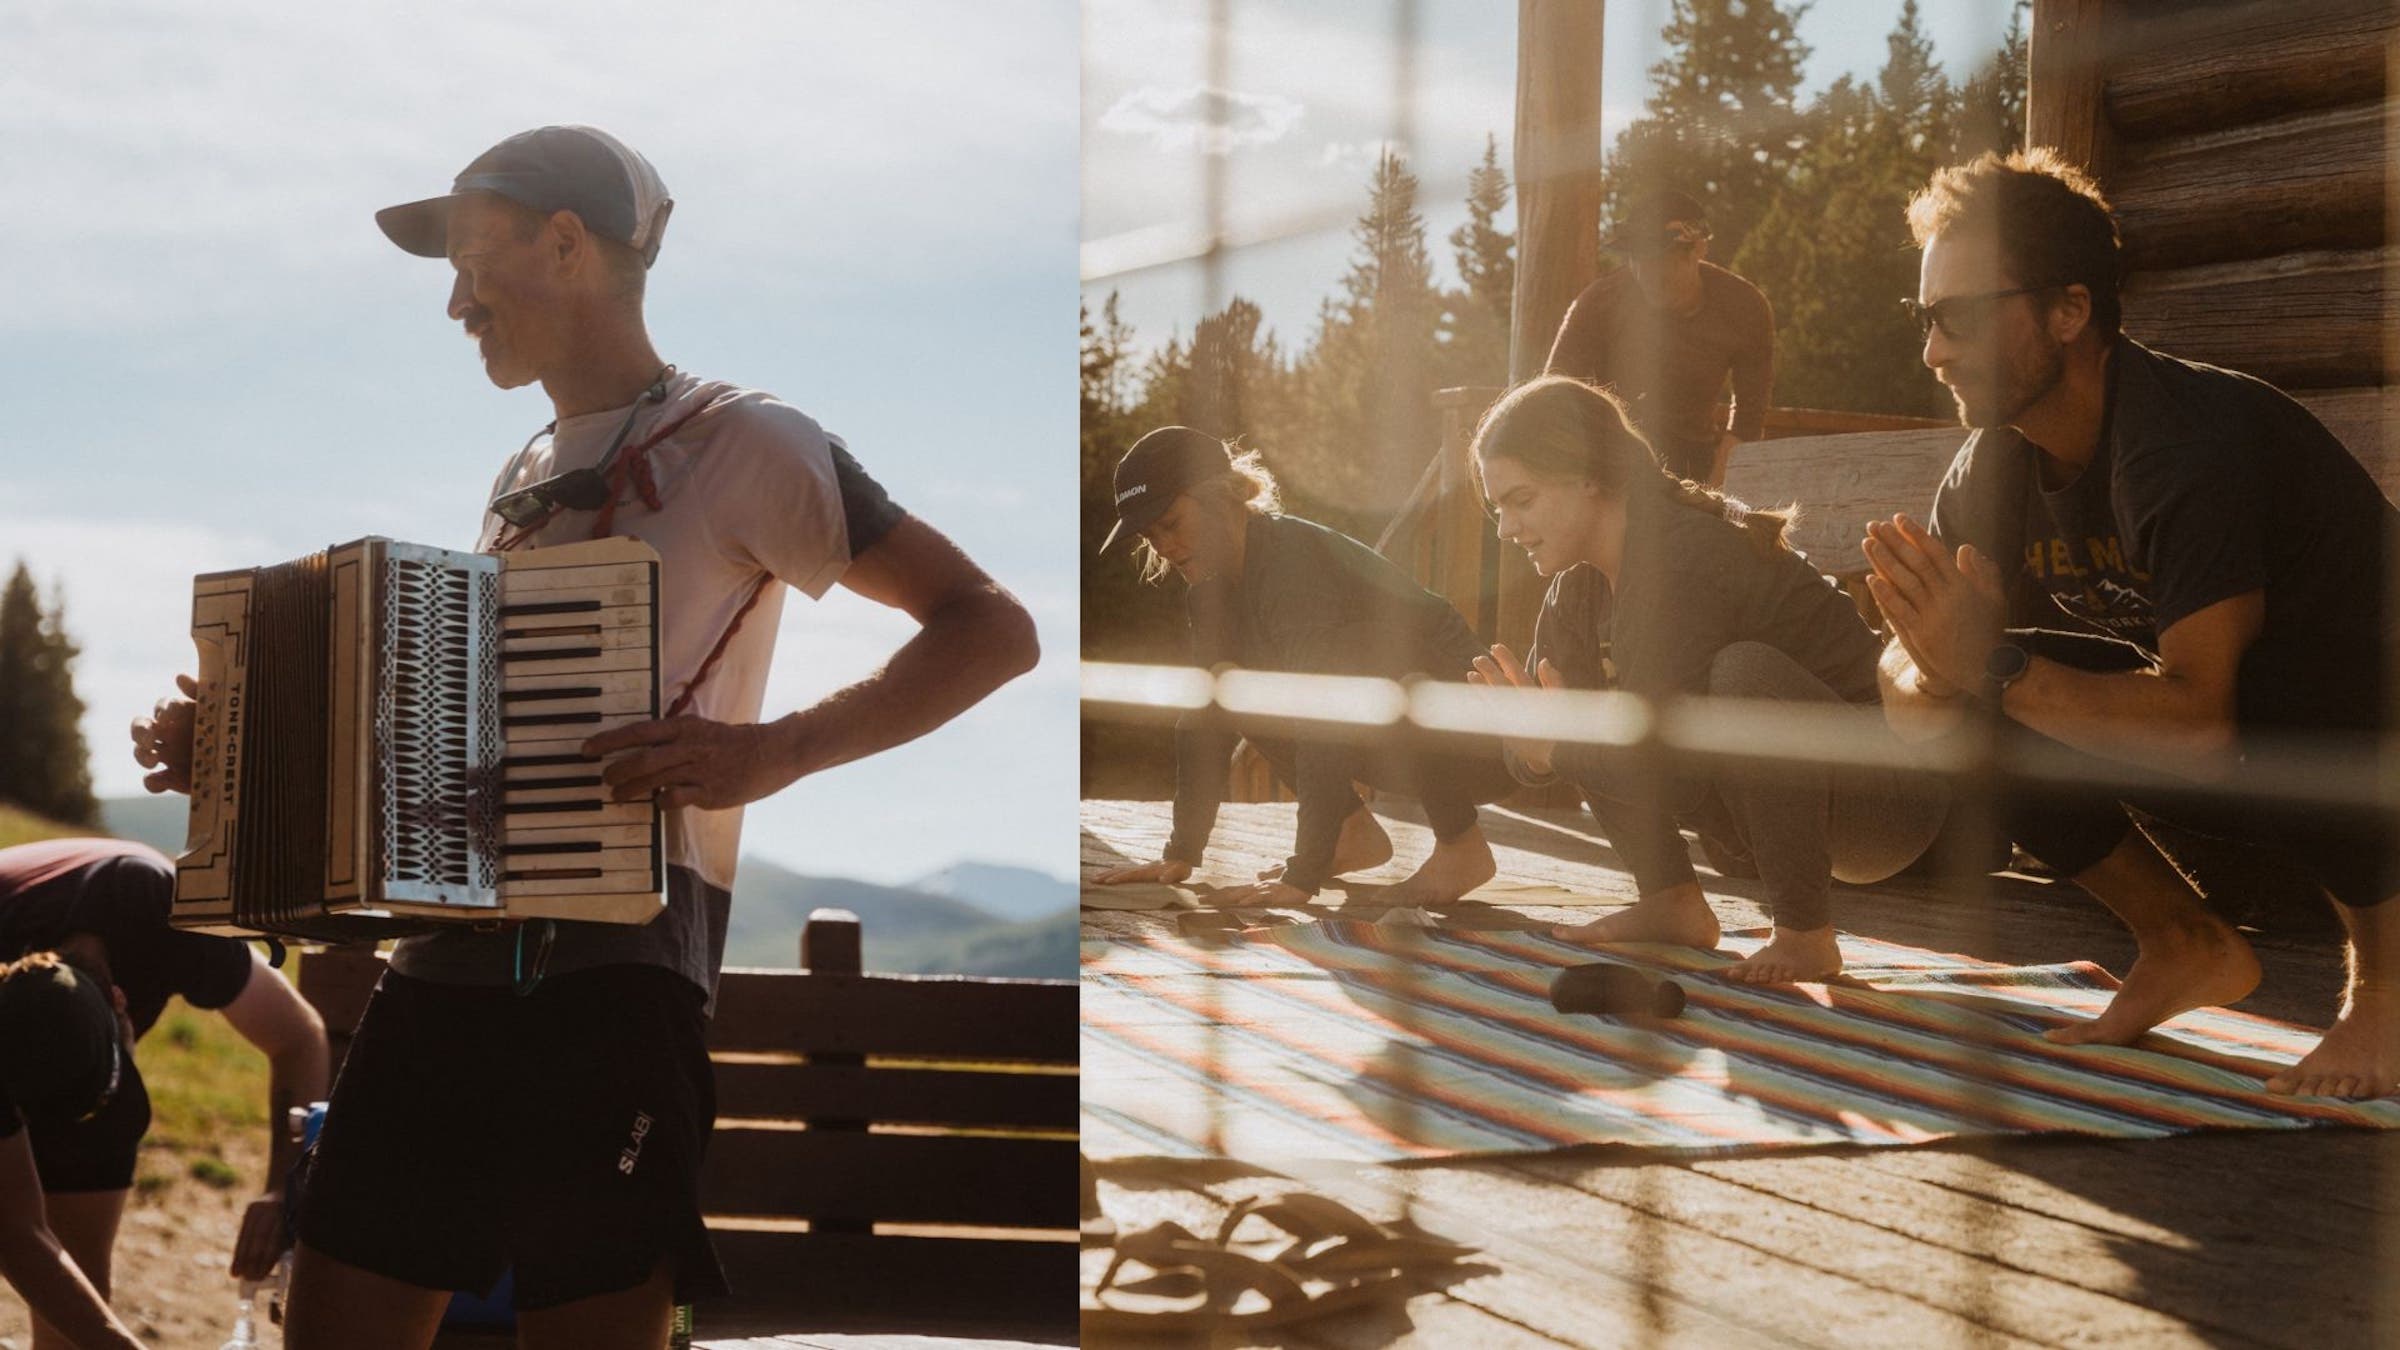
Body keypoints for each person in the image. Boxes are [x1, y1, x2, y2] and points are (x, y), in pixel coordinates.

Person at [130, 124, 1038, 1348]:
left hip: (621, 975)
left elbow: (991, 626)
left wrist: (770, 752)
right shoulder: (521, 471)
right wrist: (240, 754)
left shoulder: (749, 439)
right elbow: (446, 766)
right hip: (442, 966)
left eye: (471, 259)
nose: (454, 300)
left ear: (567, 245)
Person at [1865, 148, 2400, 1096]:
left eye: (1957, 316)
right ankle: (2184, 941)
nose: (1931, 350)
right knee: (1981, 694)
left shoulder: (2180, 445)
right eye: (1921, 319)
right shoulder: (1997, 464)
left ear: (2068, 311)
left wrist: (1984, 666)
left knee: (2286, 675)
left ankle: (2387, 994)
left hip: (2364, 720)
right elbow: (1908, 693)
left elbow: (2201, 723)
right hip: (2262, 752)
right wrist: (1936, 668)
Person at [1468, 376, 1949, 982]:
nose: (1506, 529)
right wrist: (1536, 748)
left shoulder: (1683, 556)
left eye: (1522, 500)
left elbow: (1665, 763)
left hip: (1887, 799)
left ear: (1588, 477)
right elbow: (1545, 756)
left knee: (1742, 671)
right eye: (1497, 508)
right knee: (1584, 714)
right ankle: (1670, 901)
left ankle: (1805, 934)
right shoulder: (1575, 590)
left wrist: (1560, 745)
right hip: (1767, 805)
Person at [1087, 426, 1514, 905]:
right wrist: (1182, 850)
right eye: (1150, 535)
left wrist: (1301, 876)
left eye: (1171, 523)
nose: (1163, 547)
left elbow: (1321, 714)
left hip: (1484, 739)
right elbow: (1205, 716)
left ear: (1221, 497)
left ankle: (1461, 846)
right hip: (1395, 740)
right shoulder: (1211, 591)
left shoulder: (1291, 565)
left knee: (1354, 653)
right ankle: (1349, 835)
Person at [0, 838, 329, 1350]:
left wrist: (281, 1188)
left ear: (120, 998)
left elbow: (298, 1036)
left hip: (85, 996)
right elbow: (17, 1232)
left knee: (78, 1294)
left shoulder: (164, 914)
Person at [1544, 188, 1775, 488]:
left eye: (1658, 259)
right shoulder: (1599, 302)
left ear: (1697, 250)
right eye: (1636, 259)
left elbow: (1747, 418)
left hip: (1693, 463)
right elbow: (1552, 395)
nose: (1645, 272)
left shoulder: (1745, 307)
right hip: (1609, 458)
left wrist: (1712, 498)